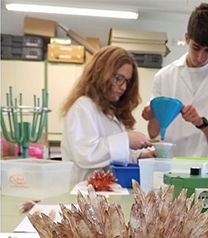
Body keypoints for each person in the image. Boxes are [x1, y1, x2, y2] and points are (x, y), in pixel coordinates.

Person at [142, 3, 208, 174]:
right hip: (171, 170)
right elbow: (153, 133)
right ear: (187, 38)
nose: (201, 56)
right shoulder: (164, 76)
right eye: (196, 48)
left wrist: (200, 122)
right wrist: (153, 114)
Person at [61, 45, 153, 182]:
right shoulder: (83, 107)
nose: (124, 87)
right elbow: (86, 155)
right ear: (101, 74)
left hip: (105, 191)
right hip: (84, 192)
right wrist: (126, 139)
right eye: (119, 78)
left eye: (127, 81)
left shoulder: (111, 112)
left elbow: (114, 157)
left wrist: (140, 156)